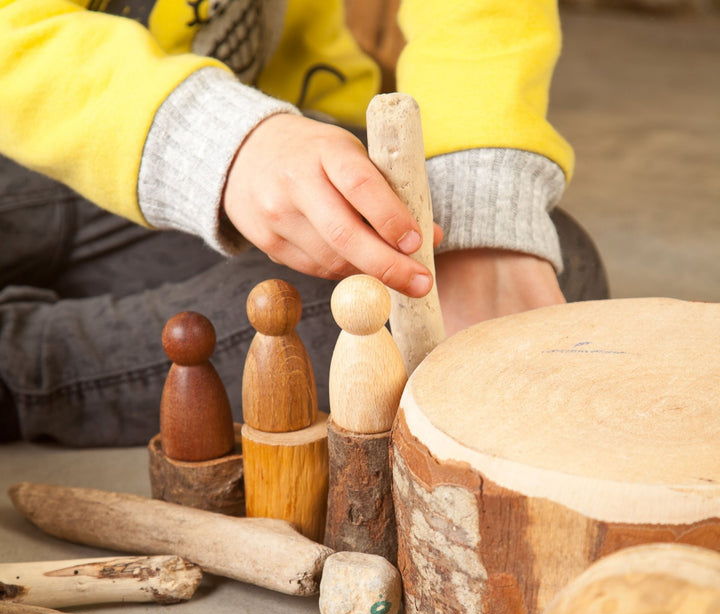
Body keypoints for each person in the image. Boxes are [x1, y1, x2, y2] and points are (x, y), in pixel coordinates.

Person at [0, 0, 608, 446]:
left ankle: (27, 359)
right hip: (47, 121)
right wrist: (219, 143)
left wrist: (477, 192)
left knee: (559, 267)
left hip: (265, 115)